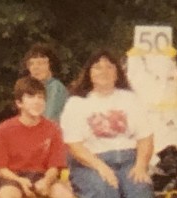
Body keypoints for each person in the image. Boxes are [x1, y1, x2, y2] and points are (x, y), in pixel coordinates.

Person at [60, 50, 154, 198]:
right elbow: (74, 145)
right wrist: (101, 167)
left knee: (140, 190)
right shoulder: (76, 103)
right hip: (91, 162)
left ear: (117, 73)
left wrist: (141, 165)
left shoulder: (130, 99)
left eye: (109, 67)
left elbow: (145, 137)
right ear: (89, 73)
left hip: (129, 160)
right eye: (97, 67)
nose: (104, 71)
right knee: (104, 190)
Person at [0, 77, 74, 198]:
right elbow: (1, 170)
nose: (37, 101)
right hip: (13, 177)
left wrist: (46, 181)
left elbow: (54, 167)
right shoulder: (4, 129)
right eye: (30, 97)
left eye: (40, 97)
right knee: (8, 194)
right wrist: (20, 181)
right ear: (19, 103)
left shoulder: (53, 129)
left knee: (63, 193)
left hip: (43, 176)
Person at [21, 43, 69, 122]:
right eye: (31, 64)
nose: (35, 67)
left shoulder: (56, 88)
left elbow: (49, 119)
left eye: (40, 63)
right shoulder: (30, 89)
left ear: (51, 65)